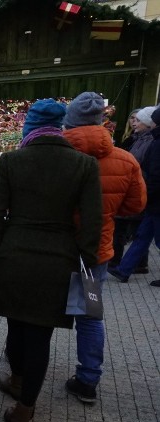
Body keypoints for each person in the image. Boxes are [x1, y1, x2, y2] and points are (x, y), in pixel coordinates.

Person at [0, 99, 102, 422]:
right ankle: (24, 409)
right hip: (58, 259)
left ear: (30, 128)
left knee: (15, 321)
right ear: (61, 127)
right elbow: (92, 221)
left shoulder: (11, 161)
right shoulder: (84, 165)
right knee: (40, 334)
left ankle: (17, 379)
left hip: (14, 256)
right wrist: (84, 258)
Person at [60, 92, 147, 404]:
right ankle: (87, 380)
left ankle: (22, 368)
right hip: (94, 254)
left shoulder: (54, 157)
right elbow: (136, 205)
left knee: (36, 311)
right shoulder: (125, 159)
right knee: (89, 315)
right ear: (102, 122)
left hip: (53, 250)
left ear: (68, 121)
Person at [109, 106, 160, 287]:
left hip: (153, 197)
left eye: (139, 120)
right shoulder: (144, 140)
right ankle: (124, 269)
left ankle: (125, 268)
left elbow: (153, 173)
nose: (134, 123)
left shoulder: (154, 143)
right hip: (150, 196)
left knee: (150, 237)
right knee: (142, 235)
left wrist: (146, 194)